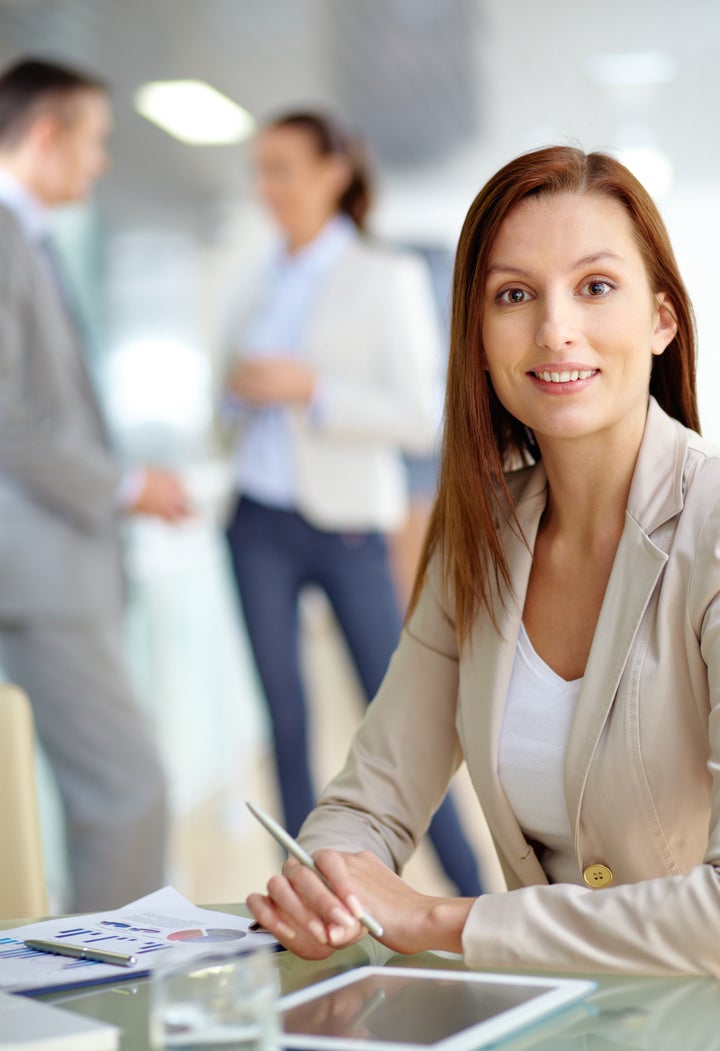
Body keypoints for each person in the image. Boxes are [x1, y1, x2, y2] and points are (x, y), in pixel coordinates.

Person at [247, 144, 720, 978]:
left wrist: (438, 918)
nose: (554, 328)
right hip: (543, 1019)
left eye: (596, 286)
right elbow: (369, 800)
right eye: (514, 295)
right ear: (478, 334)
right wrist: (329, 880)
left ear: (662, 318)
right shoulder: (482, 534)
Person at [223, 111, 483, 897]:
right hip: (257, 518)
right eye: (260, 171)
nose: (266, 188)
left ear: (335, 171)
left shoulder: (384, 275)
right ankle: (307, 896)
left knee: (401, 718)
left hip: (345, 525)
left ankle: (472, 889)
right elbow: (224, 388)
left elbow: (418, 411)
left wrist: (316, 389)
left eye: (282, 169)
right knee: (286, 721)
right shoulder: (255, 274)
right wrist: (237, 394)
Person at [0, 57, 190, 910]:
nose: (100, 161)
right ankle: (109, 1000)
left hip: (45, 569)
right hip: (40, 572)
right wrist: (124, 485)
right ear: (46, 135)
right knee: (128, 792)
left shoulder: (29, 240)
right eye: (94, 141)